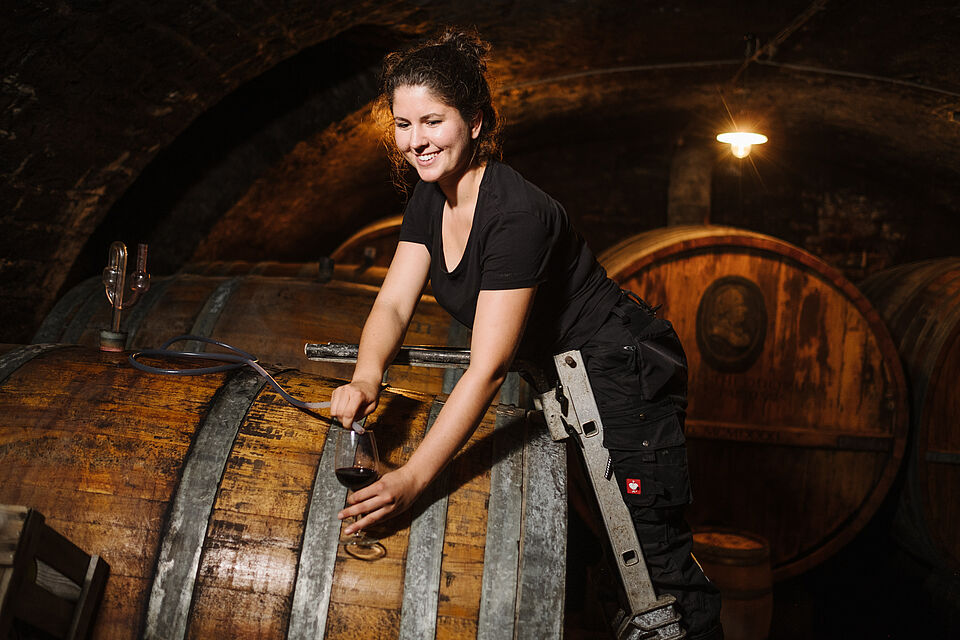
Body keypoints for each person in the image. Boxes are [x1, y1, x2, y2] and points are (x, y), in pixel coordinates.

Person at [329, 27, 722, 640]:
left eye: (431, 121)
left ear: (477, 122)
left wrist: (410, 479)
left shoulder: (515, 213)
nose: (415, 141)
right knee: (591, 556)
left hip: (619, 373)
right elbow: (392, 303)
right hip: (563, 380)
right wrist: (365, 375)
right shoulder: (428, 198)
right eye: (403, 125)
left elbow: (487, 366)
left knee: (652, 574)